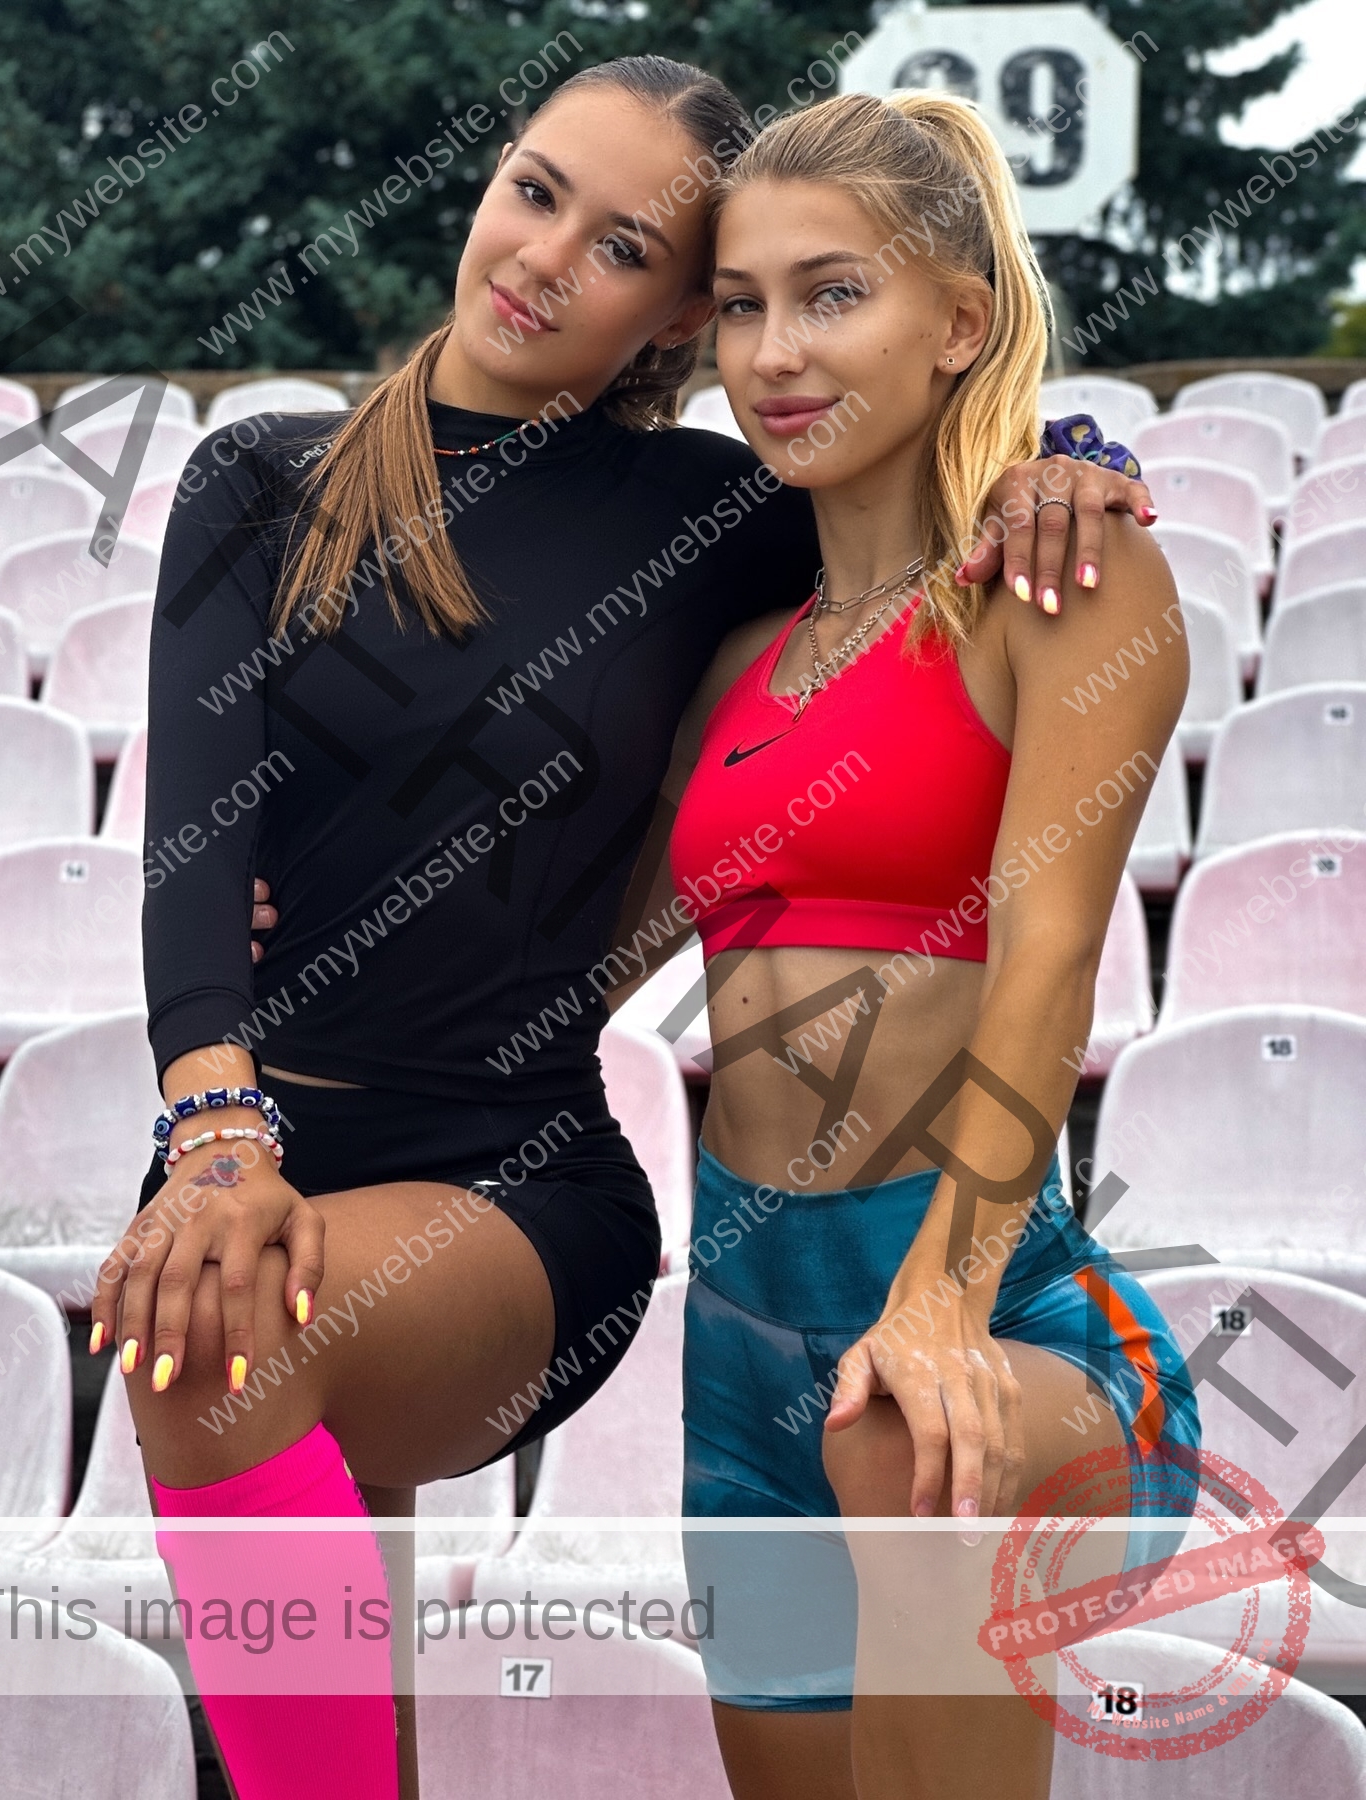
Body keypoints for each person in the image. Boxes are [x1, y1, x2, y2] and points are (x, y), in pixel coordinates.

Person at [90, 56, 1158, 1800]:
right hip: (254, 1148)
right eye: (533, 191)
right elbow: (191, 858)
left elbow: (917, 497)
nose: (542, 258)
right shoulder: (257, 480)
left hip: (514, 1186)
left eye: (623, 249)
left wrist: (1063, 461)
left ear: (672, 323)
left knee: (222, 1340)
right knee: (288, 1677)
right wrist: (216, 1123)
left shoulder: (709, 522)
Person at [653, 90, 1201, 1799]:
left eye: (833, 294)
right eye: (740, 305)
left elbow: (1048, 968)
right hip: (741, 1331)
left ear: (961, 321)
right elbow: (564, 973)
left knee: (908, 1442)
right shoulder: (734, 654)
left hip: (1003, 1310)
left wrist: (947, 1300)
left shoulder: (1066, 580)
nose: (772, 352)